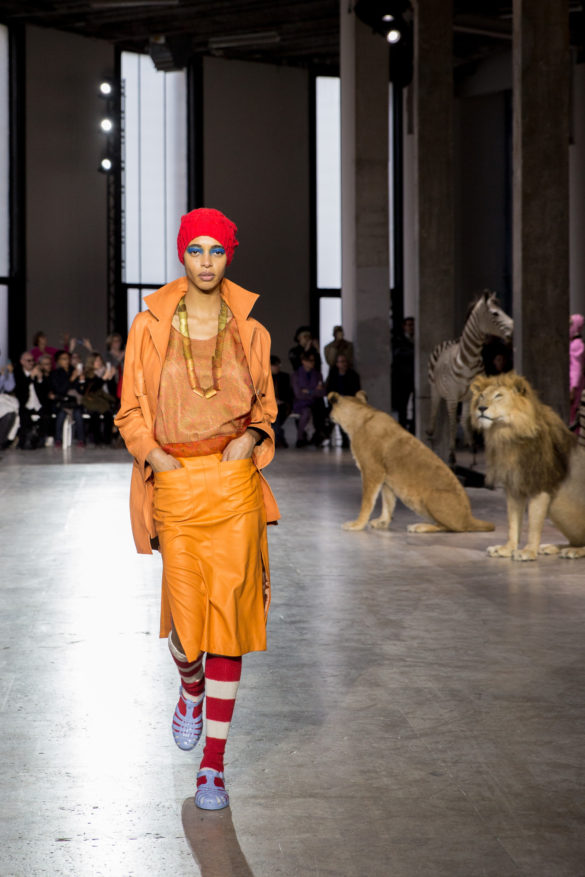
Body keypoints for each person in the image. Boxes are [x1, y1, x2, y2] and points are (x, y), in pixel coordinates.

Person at [114, 207, 279, 811]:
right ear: (181, 254)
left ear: (229, 255)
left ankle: (213, 766)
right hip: (177, 485)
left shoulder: (252, 330)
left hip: (233, 486)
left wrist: (251, 439)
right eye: (195, 250)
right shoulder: (149, 326)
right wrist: (156, 458)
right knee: (188, 633)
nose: (206, 262)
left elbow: (266, 407)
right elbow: (129, 409)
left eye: (217, 250)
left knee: (228, 625)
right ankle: (190, 688)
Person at [49, 350, 85, 447]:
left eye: (68, 358)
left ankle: (81, 439)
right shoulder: (55, 373)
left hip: (74, 401)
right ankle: (58, 439)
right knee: (61, 415)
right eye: (64, 359)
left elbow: (80, 391)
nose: (67, 361)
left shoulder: (74, 371)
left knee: (78, 414)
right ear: (58, 361)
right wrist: (72, 379)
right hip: (61, 401)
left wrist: (81, 381)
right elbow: (59, 390)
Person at [291, 350, 327, 447]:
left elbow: (323, 392)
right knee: (306, 412)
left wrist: (308, 391)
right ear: (303, 361)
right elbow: (298, 394)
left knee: (321, 411)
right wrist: (315, 391)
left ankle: (317, 436)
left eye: (313, 360)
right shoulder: (296, 375)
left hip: (315, 403)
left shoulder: (318, 374)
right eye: (309, 360)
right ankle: (300, 438)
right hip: (301, 403)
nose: (312, 363)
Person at [325, 353, 361, 448]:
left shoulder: (353, 375)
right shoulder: (333, 376)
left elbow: (356, 392)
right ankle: (325, 435)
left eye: (345, 361)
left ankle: (346, 438)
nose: (344, 364)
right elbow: (329, 390)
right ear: (337, 364)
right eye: (341, 362)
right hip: (335, 403)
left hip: (349, 402)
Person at [392, 316, 415, 433]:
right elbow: (397, 355)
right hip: (402, 378)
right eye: (409, 325)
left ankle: (413, 428)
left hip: (415, 377)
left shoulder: (417, 339)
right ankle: (402, 429)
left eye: (412, 325)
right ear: (404, 327)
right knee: (403, 406)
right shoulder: (399, 340)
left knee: (416, 405)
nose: (411, 327)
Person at [270, 354, 293, 448]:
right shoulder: (264, 378)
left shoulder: (285, 377)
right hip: (267, 405)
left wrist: (280, 401)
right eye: (275, 365)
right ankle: (279, 439)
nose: (278, 367)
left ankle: (277, 439)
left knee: (276, 412)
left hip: (283, 405)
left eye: (279, 365)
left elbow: (289, 394)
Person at [570, 314, 585, 428]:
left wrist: (573, 389)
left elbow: (577, 369)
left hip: (574, 387)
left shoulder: (576, 345)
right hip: (574, 385)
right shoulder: (574, 344)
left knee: (573, 415)